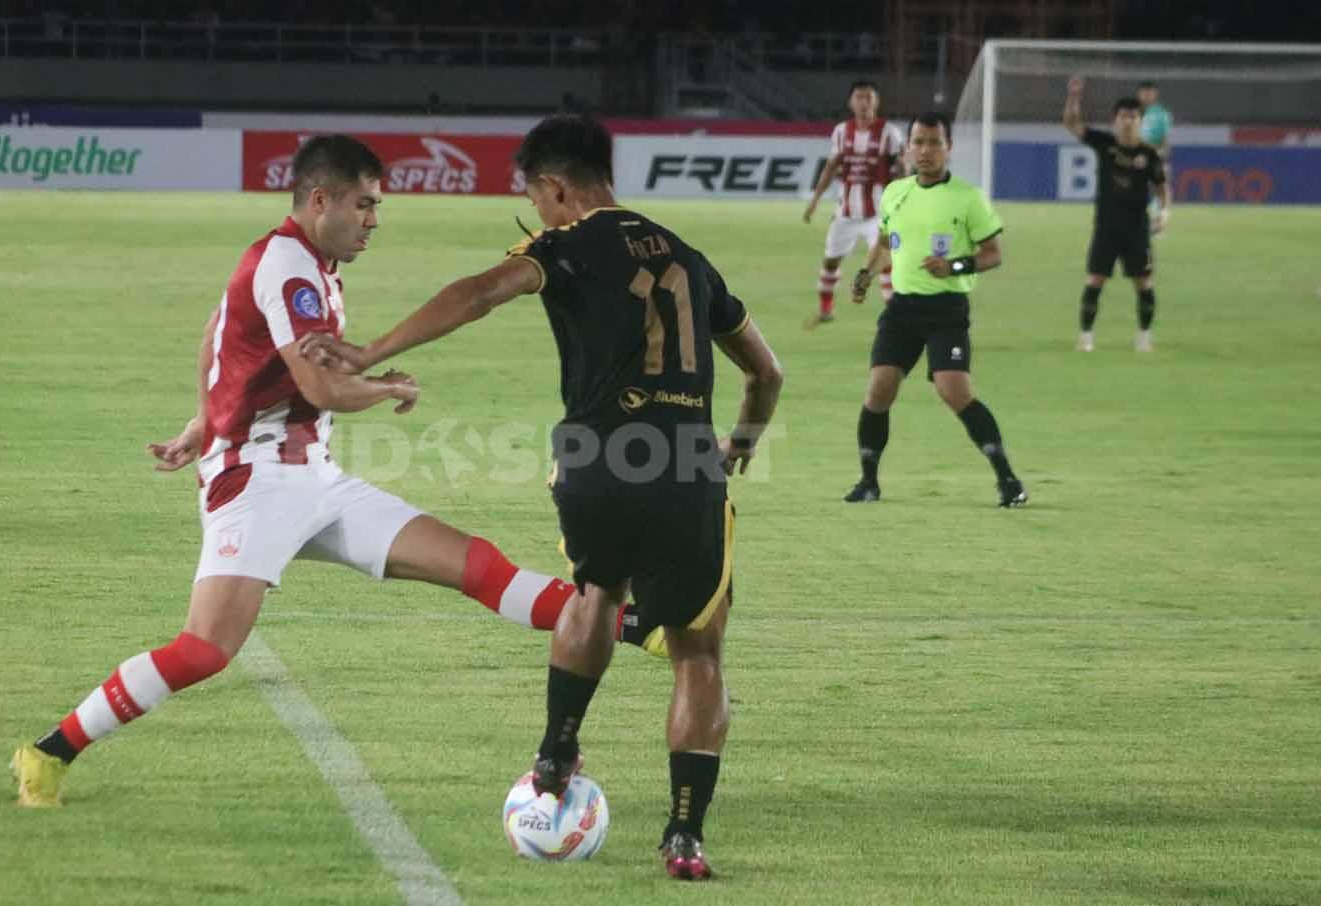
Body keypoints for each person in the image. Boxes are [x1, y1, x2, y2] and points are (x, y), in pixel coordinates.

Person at [8, 135, 660, 807]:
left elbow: (221, 334)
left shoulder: (299, 264)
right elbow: (321, 390)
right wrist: (388, 387)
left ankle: (640, 627)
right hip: (256, 485)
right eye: (365, 205)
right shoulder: (289, 265)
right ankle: (48, 752)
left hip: (311, 476)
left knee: (474, 564)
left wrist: (202, 422)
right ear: (321, 201)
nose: (374, 220)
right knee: (204, 649)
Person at [299, 115, 785, 880]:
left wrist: (371, 350)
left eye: (538, 199)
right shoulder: (693, 261)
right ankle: (685, 837)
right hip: (686, 463)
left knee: (595, 590)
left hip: (595, 461)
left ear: (556, 188)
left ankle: (558, 747)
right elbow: (768, 372)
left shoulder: (563, 246)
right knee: (698, 651)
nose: (541, 215)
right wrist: (743, 447)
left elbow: (477, 293)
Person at [842, 112, 1026, 508]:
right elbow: (887, 243)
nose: (925, 151)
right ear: (908, 148)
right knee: (878, 390)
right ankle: (868, 482)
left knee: (953, 391)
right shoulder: (895, 192)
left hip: (946, 309)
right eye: (919, 143)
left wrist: (954, 266)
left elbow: (993, 254)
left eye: (934, 143)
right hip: (903, 308)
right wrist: (866, 274)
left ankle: (1008, 479)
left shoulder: (967, 197)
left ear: (948, 148)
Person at [1063, 78, 1170, 353]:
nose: (1128, 121)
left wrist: (1165, 212)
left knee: (1144, 283)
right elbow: (1072, 125)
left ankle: (1144, 336)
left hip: (1137, 230)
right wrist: (1074, 98)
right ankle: (1086, 337)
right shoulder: (1104, 143)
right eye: (1123, 116)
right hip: (1106, 228)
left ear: (1140, 120)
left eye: (1133, 116)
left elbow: (1161, 187)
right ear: (1115, 119)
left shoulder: (1149, 155)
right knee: (1095, 280)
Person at [801, 80, 906, 326]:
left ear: (876, 101)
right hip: (845, 213)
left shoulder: (889, 132)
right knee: (831, 261)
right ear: (851, 102)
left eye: (868, 97)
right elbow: (831, 167)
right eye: (859, 97)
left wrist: (903, 192)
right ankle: (826, 309)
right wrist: (815, 200)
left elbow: (902, 169)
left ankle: (897, 314)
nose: (864, 102)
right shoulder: (841, 132)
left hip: (878, 213)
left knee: (885, 260)